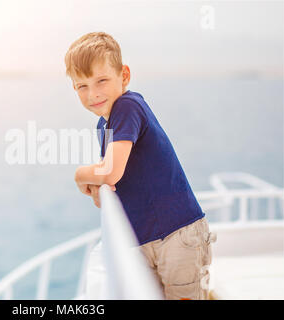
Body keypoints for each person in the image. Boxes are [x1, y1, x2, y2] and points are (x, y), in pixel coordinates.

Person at [64, 32, 216, 300]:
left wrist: (80, 175)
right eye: (81, 86)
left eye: (101, 80)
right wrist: (101, 181)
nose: (93, 93)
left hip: (177, 235)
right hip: (147, 239)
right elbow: (111, 181)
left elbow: (110, 171)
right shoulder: (105, 124)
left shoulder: (127, 106)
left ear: (124, 76)